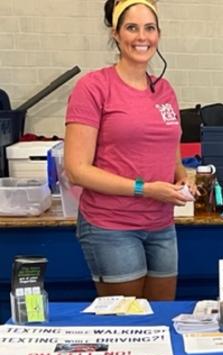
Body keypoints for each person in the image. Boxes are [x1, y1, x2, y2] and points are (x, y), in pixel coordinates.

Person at [64, 0, 194, 300]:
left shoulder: (164, 90)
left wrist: (185, 176)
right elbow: (77, 169)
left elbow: (172, 156)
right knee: (127, 324)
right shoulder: (93, 87)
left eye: (149, 28)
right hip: (111, 226)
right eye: (132, 28)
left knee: (161, 319)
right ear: (116, 34)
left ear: (158, 35)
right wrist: (146, 189)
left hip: (161, 225)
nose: (141, 37)